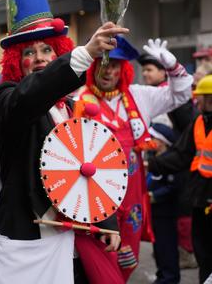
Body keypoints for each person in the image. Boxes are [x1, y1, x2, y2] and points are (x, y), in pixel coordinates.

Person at [0, 0, 127, 284]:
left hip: (73, 242)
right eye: (28, 52)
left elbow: (88, 171)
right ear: (16, 61)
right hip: (26, 242)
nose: (39, 58)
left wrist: (107, 222)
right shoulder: (4, 99)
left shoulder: (72, 108)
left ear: (58, 53)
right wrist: (84, 54)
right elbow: (28, 98)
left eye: (47, 50)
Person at [75, 38, 193, 281]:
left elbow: (180, 94)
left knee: (128, 260)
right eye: (103, 63)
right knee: (101, 263)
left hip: (132, 202)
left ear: (123, 69)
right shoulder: (78, 101)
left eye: (114, 65)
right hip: (96, 199)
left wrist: (171, 67)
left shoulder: (139, 96)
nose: (108, 70)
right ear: (93, 66)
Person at [148, 74, 212, 283]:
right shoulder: (199, 122)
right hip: (200, 200)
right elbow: (181, 155)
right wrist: (152, 164)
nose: (196, 100)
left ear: (209, 98)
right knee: (204, 256)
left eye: (199, 96)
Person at [138, 52, 199, 270]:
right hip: (162, 167)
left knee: (171, 233)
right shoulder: (150, 95)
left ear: (164, 72)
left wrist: (159, 162)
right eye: (143, 70)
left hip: (176, 174)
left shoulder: (174, 100)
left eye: (150, 69)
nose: (145, 74)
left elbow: (186, 143)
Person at [146, 123, 183, 284]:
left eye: (153, 138)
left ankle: (170, 278)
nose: (150, 141)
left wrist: (153, 195)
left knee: (167, 247)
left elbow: (174, 186)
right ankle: (162, 275)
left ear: (162, 141)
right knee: (158, 248)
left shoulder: (170, 161)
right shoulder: (155, 158)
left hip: (166, 213)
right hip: (155, 212)